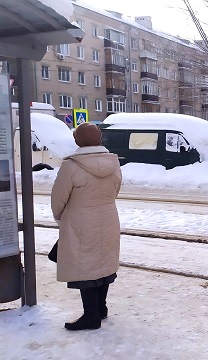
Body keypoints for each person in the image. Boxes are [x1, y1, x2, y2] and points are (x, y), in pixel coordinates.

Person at [51, 123, 122, 331]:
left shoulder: (72, 166)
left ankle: (91, 316)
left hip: (79, 222)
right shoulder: (113, 163)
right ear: (100, 140)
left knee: (85, 267)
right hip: (108, 218)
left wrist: (61, 219)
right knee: (103, 262)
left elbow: (58, 199)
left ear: (76, 141)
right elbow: (115, 190)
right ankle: (101, 308)